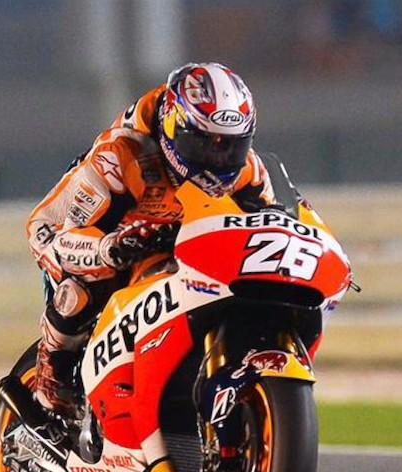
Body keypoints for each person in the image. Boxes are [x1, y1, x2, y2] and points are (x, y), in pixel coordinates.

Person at [23, 62, 276, 419]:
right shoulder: (123, 156)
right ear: (174, 126)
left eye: (231, 146)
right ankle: (53, 371)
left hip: (172, 239)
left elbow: (270, 222)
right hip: (76, 231)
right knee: (89, 282)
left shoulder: (249, 171)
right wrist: (110, 247)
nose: (217, 159)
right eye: (203, 144)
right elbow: (63, 236)